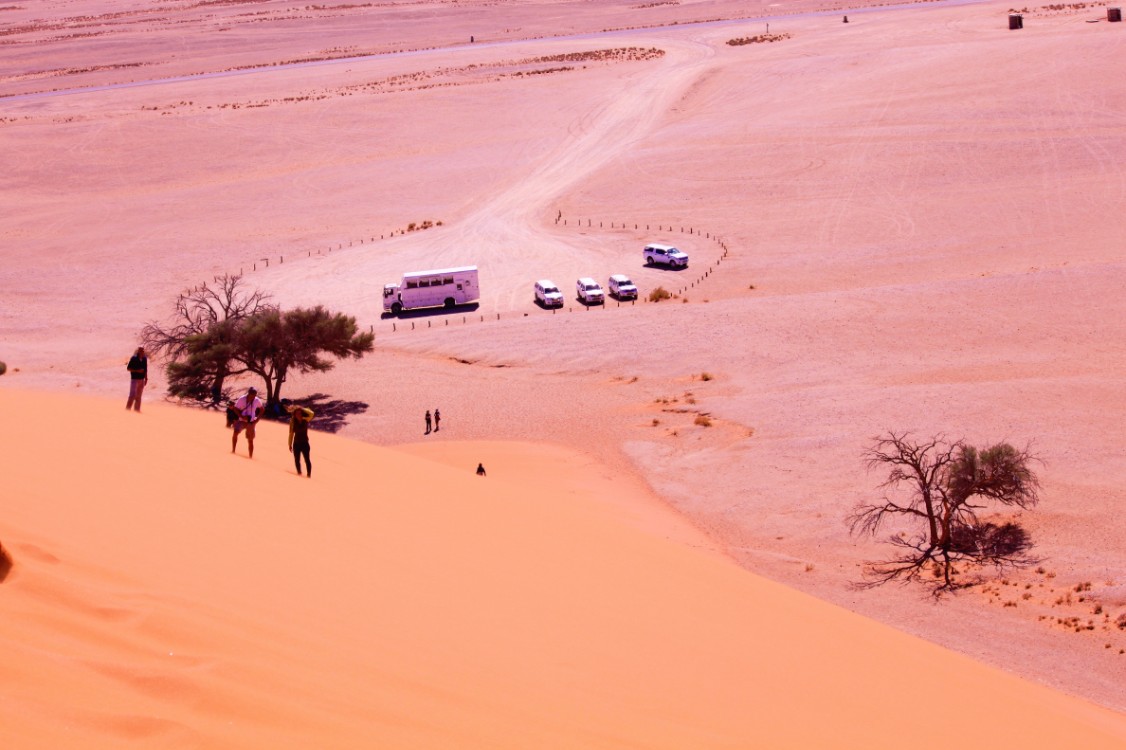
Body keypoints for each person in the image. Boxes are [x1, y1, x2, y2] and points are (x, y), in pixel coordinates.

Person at [231, 387, 264, 457]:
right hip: (241, 420)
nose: (253, 397)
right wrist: (241, 416)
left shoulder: (257, 400)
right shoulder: (242, 399)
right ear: (248, 394)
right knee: (235, 433)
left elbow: (262, 409)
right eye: (251, 395)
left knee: (250, 440)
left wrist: (257, 419)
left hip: (251, 422)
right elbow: (235, 408)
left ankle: (250, 457)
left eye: (254, 395)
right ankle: (233, 450)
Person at [287, 403, 315, 478]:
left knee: (307, 460)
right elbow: (291, 434)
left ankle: (309, 475)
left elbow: (312, 413)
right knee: (297, 460)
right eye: (297, 414)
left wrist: (301, 408)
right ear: (294, 415)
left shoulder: (306, 419)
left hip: (305, 443)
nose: (299, 415)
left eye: (300, 413)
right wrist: (289, 444)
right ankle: (299, 474)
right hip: (296, 444)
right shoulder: (292, 422)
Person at [125, 346, 148, 412]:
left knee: (139, 396)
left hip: (141, 379)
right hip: (134, 379)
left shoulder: (144, 359)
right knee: (132, 395)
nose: (142, 352)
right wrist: (137, 371)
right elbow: (128, 368)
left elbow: (146, 369)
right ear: (138, 351)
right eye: (141, 351)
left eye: (143, 351)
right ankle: (128, 409)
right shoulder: (134, 358)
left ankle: (137, 410)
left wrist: (146, 378)